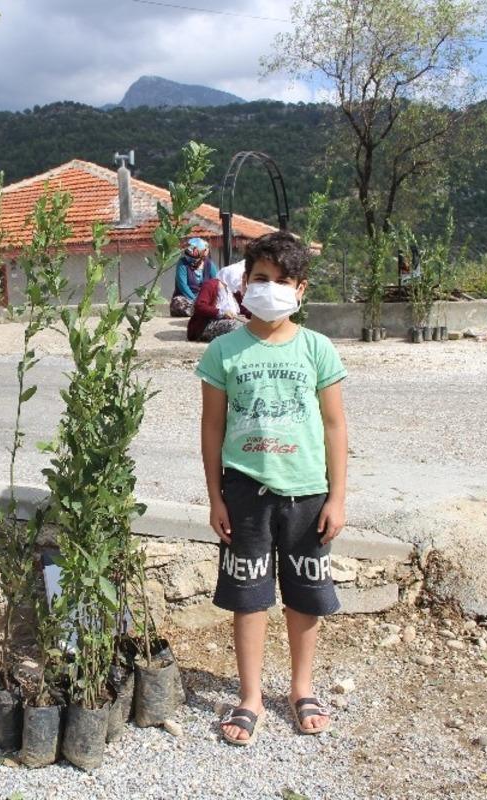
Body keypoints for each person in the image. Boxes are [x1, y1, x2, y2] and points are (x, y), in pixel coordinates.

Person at [195, 231, 348, 746]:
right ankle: (251, 696)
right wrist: (215, 497)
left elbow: (334, 426)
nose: (272, 289)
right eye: (262, 278)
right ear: (245, 283)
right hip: (245, 493)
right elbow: (212, 428)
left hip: (308, 493)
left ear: (301, 289)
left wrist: (337, 497)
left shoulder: (317, 348)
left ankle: (302, 689)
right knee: (250, 598)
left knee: (305, 597)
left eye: (284, 281)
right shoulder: (223, 350)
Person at [187, 262, 249, 342]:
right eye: (241, 278)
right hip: (207, 325)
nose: (242, 281)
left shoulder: (233, 289)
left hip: (229, 321)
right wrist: (222, 312)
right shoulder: (210, 285)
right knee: (237, 327)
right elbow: (199, 306)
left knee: (251, 326)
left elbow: (243, 309)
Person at [170, 237, 218, 317]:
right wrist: (195, 300)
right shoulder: (182, 264)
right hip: (187, 298)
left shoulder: (209, 265)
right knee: (178, 304)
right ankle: (204, 311)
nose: (190, 258)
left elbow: (216, 283)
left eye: (193, 257)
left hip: (204, 299)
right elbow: (182, 285)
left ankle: (204, 310)